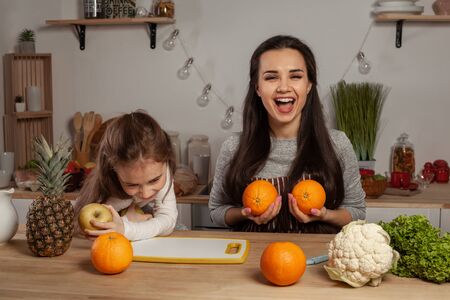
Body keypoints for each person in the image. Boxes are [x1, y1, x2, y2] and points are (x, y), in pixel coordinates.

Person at [209, 35, 366, 233]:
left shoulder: (337, 144)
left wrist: (325, 215)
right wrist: (244, 213)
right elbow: (216, 211)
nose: (283, 87)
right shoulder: (234, 147)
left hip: (317, 261)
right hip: (253, 259)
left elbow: (357, 210)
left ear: (309, 85)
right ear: (257, 88)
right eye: (271, 77)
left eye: (295, 76)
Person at [74, 110, 178, 241]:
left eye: (154, 180)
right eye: (132, 184)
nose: (146, 194)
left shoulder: (161, 167)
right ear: (114, 170)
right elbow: (79, 228)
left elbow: (168, 219)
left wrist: (126, 229)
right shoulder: (105, 187)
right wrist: (127, 221)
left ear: (166, 159)